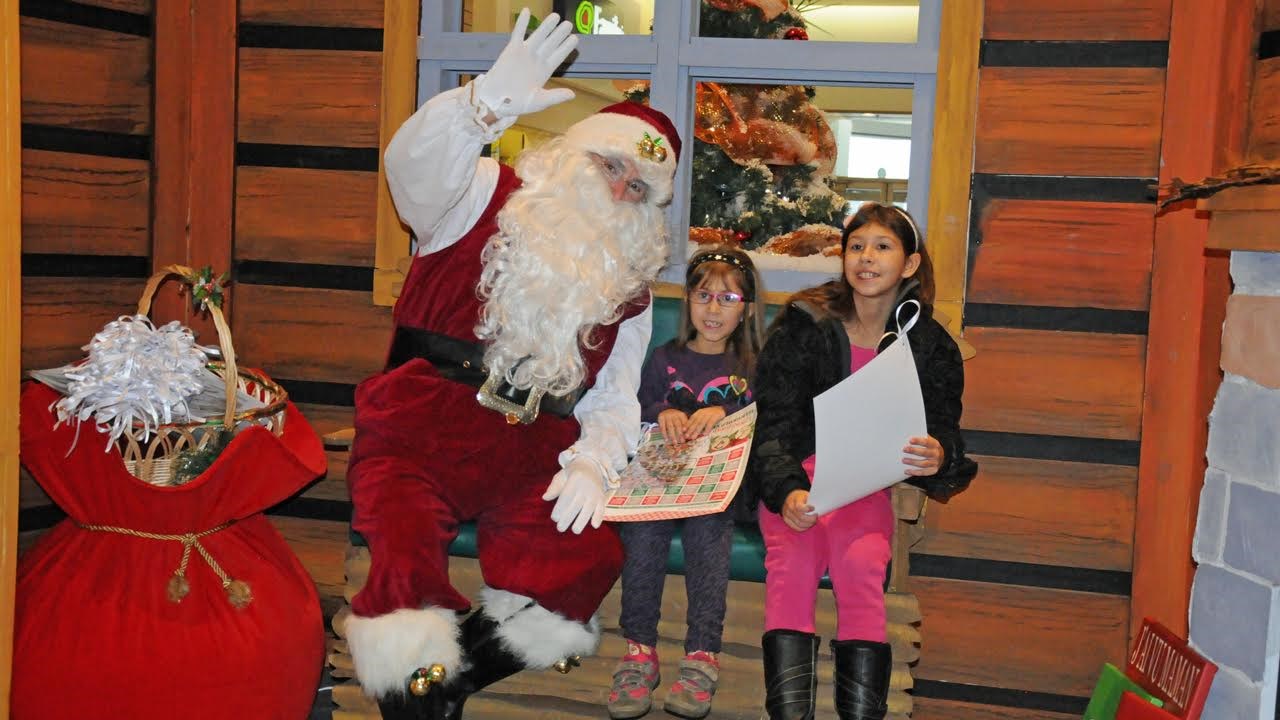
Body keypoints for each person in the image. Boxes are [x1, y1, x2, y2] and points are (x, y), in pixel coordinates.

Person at [343, 9, 683, 720]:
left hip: (535, 444)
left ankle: (438, 687)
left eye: (639, 188)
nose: (620, 190)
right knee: (403, 557)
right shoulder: (478, 193)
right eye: (610, 164)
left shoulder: (629, 287)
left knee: (585, 563)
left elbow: (615, 397)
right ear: (571, 155)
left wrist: (595, 462)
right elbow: (408, 169)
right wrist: (481, 106)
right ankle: (418, 696)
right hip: (420, 423)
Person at [747, 203, 977, 720]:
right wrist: (786, 491)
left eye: (882, 247)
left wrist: (938, 454)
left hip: (867, 488)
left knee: (861, 569)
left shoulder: (930, 346)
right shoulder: (805, 321)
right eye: (855, 246)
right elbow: (772, 420)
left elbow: (945, 435)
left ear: (910, 265)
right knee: (793, 565)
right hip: (796, 483)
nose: (866, 258)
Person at [607, 246, 766, 720]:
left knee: (707, 533)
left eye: (728, 298)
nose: (713, 309)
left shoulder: (752, 365)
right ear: (687, 302)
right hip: (662, 478)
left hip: (718, 489)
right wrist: (665, 411)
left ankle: (702, 655)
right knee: (641, 532)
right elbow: (640, 404)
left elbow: (769, 414)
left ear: (747, 308)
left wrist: (728, 410)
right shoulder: (664, 359)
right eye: (703, 296)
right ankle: (639, 652)